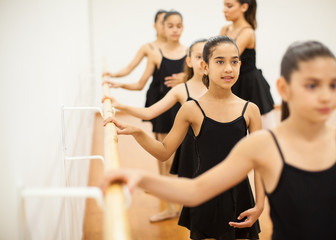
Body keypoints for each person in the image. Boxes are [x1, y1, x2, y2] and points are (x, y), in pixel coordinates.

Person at [102, 41, 336, 240]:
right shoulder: (261, 143)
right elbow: (194, 189)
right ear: (283, 88)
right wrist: (138, 172)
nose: (326, 96)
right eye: (313, 86)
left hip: (240, 199)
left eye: (334, 85)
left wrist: (259, 204)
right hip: (210, 198)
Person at [103, 35, 264, 239]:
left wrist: (260, 204)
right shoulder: (191, 109)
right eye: (220, 62)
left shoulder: (250, 110)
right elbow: (163, 152)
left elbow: (260, 163)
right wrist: (138, 132)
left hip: (239, 196)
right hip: (201, 193)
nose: (228, 69)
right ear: (205, 66)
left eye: (234, 62)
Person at [105, 10, 188, 222]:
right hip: (160, 107)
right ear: (161, 26)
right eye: (169, 25)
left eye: (178, 25)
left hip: (180, 107)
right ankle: (168, 200)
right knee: (163, 156)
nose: (173, 29)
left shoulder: (189, 53)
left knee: (176, 157)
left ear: (183, 27)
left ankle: (175, 199)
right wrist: (117, 81)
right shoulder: (153, 52)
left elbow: (200, 78)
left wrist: (186, 78)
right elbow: (140, 80)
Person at [102, 38, 208, 178]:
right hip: (193, 152)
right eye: (198, 57)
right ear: (189, 61)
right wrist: (121, 106)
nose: (202, 62)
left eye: (207, 57)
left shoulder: (219, 87)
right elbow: (150, 112)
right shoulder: (181, 90)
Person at [220, 0, 276, 129]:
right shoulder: (225, 29)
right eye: (224, 6)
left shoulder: (247, 32)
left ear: (244, 7)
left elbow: (228, 56)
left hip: (251, 85)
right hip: (233, 82)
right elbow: (214, 54)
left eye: (229, 6)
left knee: (265, 131)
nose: (224, 10)